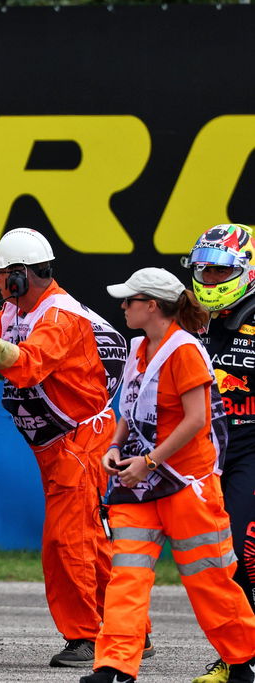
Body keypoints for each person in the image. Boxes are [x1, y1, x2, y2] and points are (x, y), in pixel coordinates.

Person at [0, 227, 141, 667]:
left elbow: (29, 365)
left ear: (20, 276)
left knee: (66, 540)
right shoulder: (15, 313)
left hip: (80, 441)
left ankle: (87, 636)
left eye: (1, 275)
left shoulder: (59, 319)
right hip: (58, 443)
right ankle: (128, 627)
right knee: (90, 538)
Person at [79, 267, 255, 683]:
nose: (122, 307)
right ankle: (116, 666)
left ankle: (243, 660)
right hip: (140, 485)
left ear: (152, 305)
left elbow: (196, 420)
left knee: (209, 580)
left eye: (129, 301)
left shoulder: (186, 350)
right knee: (127, 577)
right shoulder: (138, 347)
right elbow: (130, 408)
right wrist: (115, 448)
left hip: (187, 484)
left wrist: (150, 461)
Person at [183, 224, 255, 683]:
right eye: (203, 271)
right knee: (219, 558)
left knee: (246, 551)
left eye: (219, 271)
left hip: (252, 449)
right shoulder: (192, 321)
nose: (208, 281)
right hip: (210, 456)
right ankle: (237, 657)